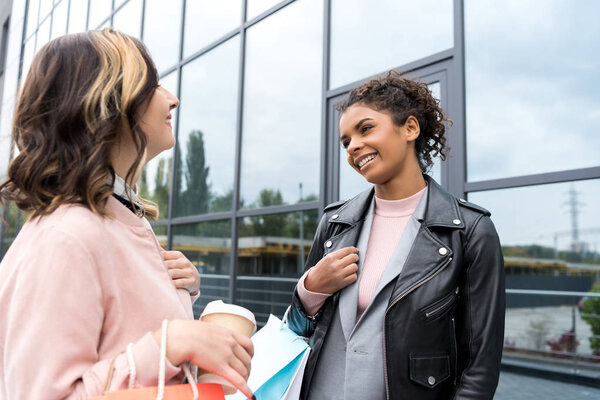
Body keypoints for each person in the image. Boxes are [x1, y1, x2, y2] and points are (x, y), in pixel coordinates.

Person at [0, 29, 253, 399]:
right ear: (106, 102)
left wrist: (183, 308)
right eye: (152, 84)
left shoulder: (118, 218)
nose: (173, 99)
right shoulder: (66, 235)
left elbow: (122, 352)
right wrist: (171, 343)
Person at [287, 71, 505, 399]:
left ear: (410, 128)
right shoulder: (334, 224)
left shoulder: (470, 233)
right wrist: (310, 288)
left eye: (366, 129)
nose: (353, 147)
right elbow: (297, 329)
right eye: (346, 141)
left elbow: (480, 366)